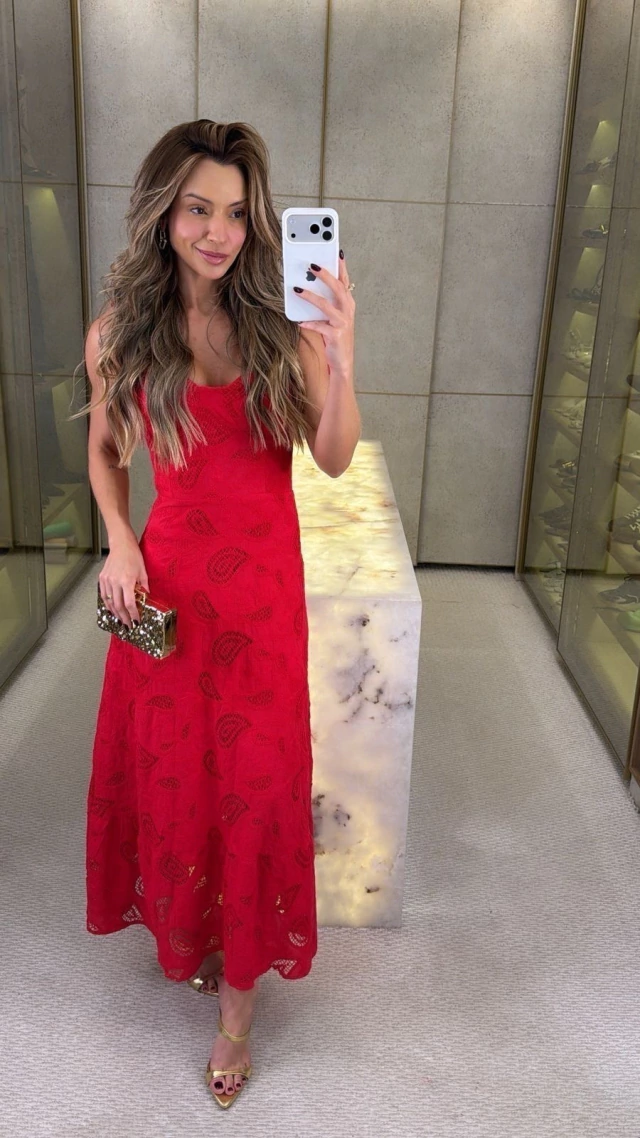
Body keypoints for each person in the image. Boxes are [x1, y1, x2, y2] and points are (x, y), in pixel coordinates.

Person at [81, 119, 359, 1109]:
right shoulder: (120, 331)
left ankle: (237, 1015)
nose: (218, 232)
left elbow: (333, 457)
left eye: (237, 213)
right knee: (181, 779)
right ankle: (199, 935)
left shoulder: (282, 323)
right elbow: (105, 450)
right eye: (198, 209)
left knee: (255, 785)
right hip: (168, 593)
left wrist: (341, 352)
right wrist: (119, 539)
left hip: (262, 603)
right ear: (164, 213)